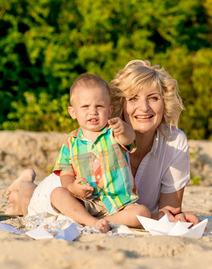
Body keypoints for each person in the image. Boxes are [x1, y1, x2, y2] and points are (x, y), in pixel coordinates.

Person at [5, 60, 199, 228]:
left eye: (154, 98)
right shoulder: (99, 135)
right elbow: (65, 180)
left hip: (116, 212)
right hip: (70, 197)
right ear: (120, 105)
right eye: (133, 98)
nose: (145, 107)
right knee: (27, 203)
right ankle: (24, 184)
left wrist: (174, 218)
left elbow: (167, 210)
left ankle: (97, 222)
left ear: (165, 102)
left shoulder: (174, 142)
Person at [50, 73, 150, 233]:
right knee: (57, 194)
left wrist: (124, 128)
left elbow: (129, 139)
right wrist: (72, 187)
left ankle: (96, 222)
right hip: (86, 202)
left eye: (99, 106)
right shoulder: (70, 143)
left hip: (119, 203)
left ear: (110, 110)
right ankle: (89, 220)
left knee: (142, 213)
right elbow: (66, 174)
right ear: (73, 112)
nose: (93, 112)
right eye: (85, 107)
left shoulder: (114, 132)